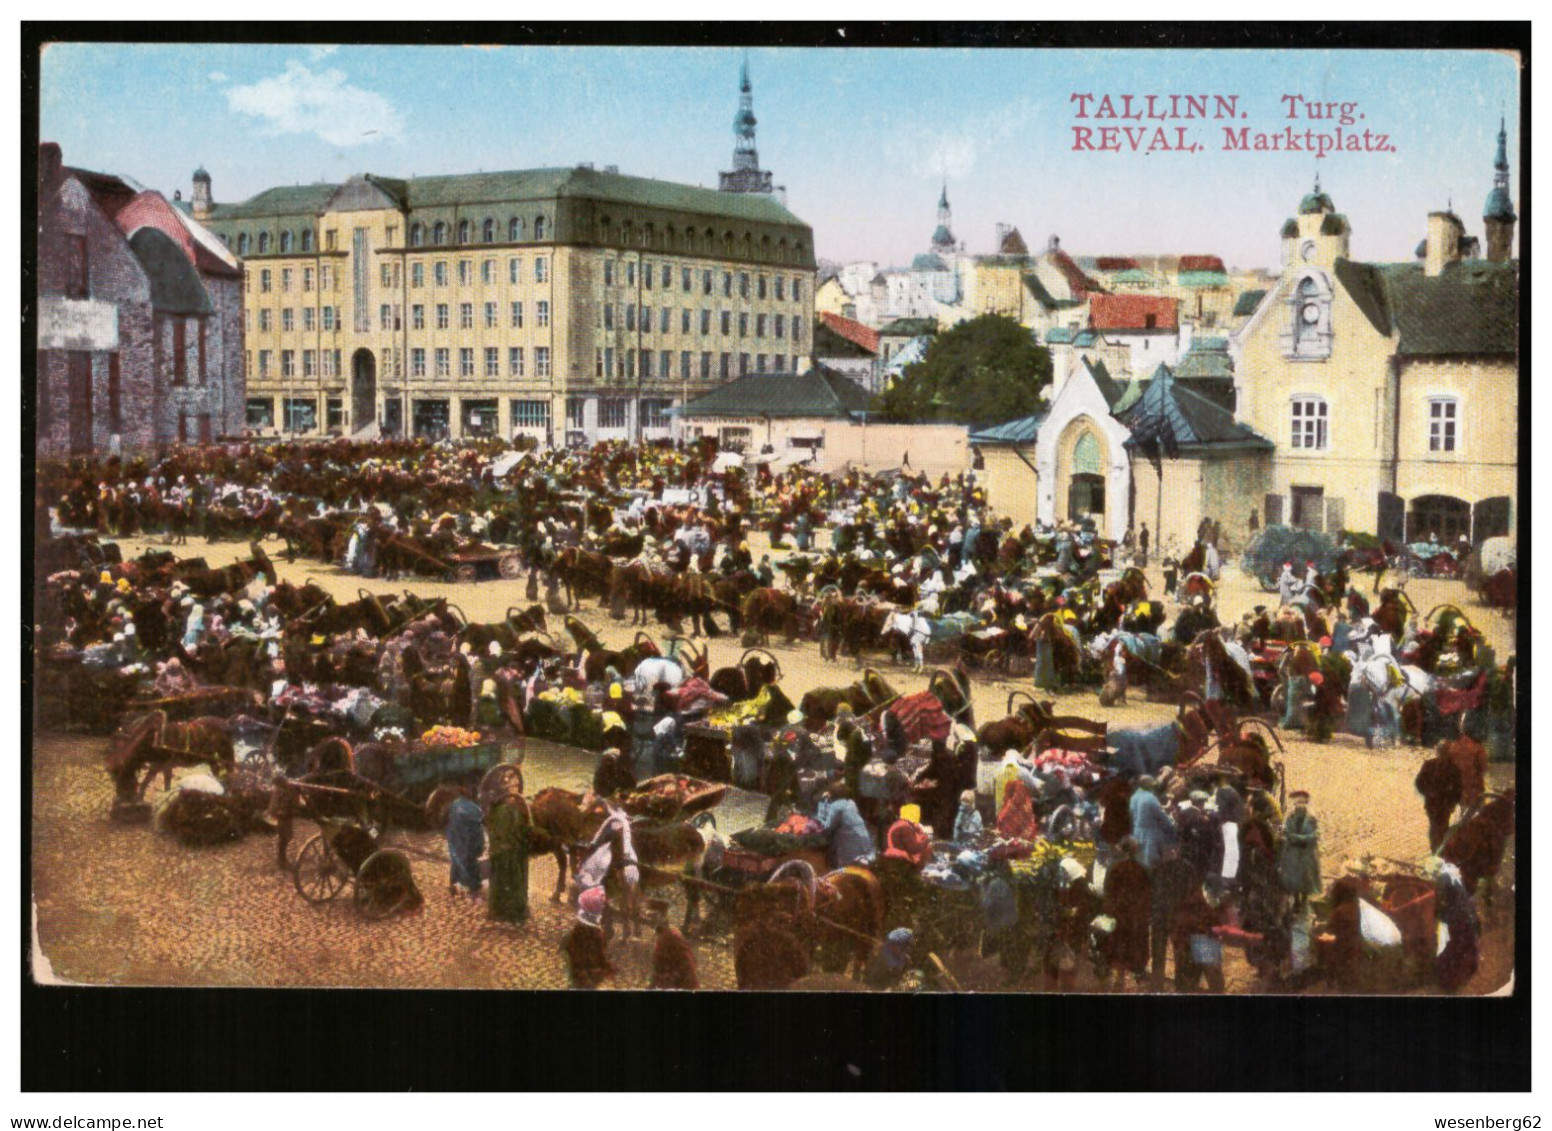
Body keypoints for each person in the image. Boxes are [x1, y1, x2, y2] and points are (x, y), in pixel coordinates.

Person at [1102, 837, 1152, 990]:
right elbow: (1148, 893)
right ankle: (1138, 977)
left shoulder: (1114, 867)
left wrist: (1109, 911)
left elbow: (1108, 892)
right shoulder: (1142, 868)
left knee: (1119, 944)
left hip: (1120, 914)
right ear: (1135, 850)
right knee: (1137, 944)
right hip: (1136, 914)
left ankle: (1120, 977)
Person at [486, 783, 532, 924]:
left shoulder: (492, 811)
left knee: (497, 883)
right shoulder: (513, 810)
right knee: (515, 883)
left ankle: (496, 911)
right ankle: (515, 913)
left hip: (496, 852)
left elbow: (492, 831)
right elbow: (523, 830)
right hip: (512, 853)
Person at [562, 887, 614, 989]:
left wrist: (606, 966)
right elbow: (577, 963)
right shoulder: (585, 934)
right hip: (583, 981)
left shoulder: (593, 932)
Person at [1415, 744, 1464, 852]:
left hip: (1433, 803)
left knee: (1435, 827)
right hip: (1444, 804)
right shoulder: (1454, 768)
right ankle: (1440, 850)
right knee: (1442, 827)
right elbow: (1458, 789)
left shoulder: (1429, 765)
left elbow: (1419, 783)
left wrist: (1428, 793)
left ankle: (1436, 850)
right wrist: (1453, 802)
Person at [1277, 790, 1322, 903]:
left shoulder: (1312, 818)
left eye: (1302, 803)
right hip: (1293, 852)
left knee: (1306, 877)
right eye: (1298, 803)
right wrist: (1294, 838)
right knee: (1294, 876)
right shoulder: (1290, 818)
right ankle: (1296, 900)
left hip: (1307, 852)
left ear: (1306, 803)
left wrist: (1298, 838)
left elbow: (1315, 834)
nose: (1300, 805)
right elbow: (1286, 831)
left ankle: (1304, 899)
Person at [816, 783, 873, 869]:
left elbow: (826, 827)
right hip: (864, 841)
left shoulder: (836, 806)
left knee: (842, 869)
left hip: (850, 845)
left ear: (831, 794)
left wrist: (822, 801)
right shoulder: (851, 803)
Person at [647, 898, 699, 989]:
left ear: (664, 917)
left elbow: (689, 963)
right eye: (650, 917)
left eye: (655, 916)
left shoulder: (673, 936)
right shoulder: (659, 935)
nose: (652, 920)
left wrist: (671, 979)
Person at [444, 792, 485, 899]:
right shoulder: (475, 810)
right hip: (468, 842)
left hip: (455, 838)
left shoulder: (456, 803)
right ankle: (474, 890)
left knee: (456, 861)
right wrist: (480, 846)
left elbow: (450, 823)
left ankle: (454, 885)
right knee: (470, 863)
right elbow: (477, 831)